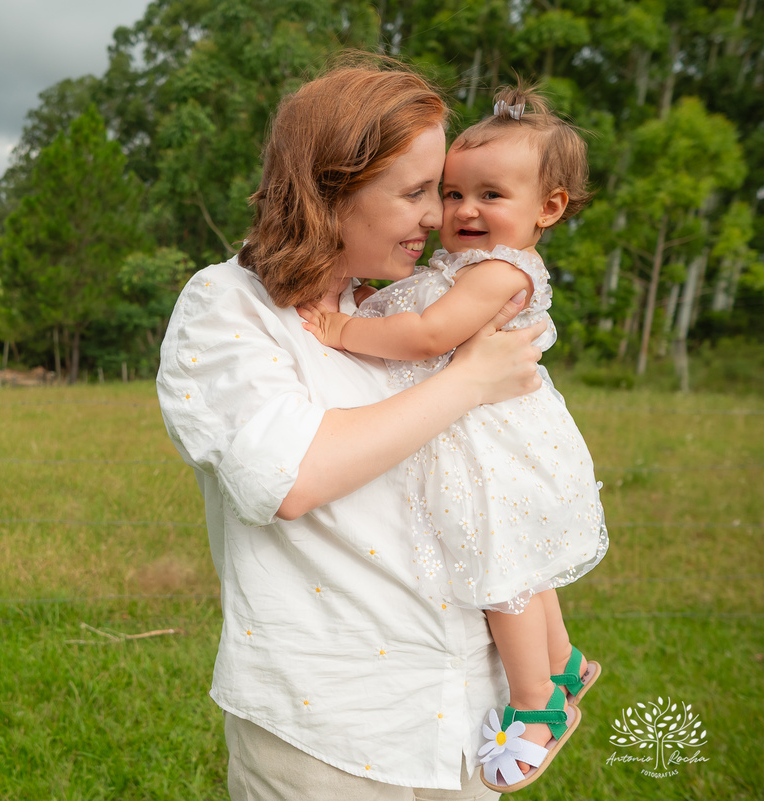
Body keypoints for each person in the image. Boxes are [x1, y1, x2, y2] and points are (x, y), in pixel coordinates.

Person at [157, 56, 549, 801]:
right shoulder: (229, 305)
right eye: (413, 193)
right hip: (329, 735)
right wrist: (468, 379)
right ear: (330, 189)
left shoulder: (392, 315)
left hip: (463, 722)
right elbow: (291, 476)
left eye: (437, 191)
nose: (437, 217)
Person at [296, 85, 608, 792]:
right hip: (484, 438)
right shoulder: (458, 266)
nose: (462, 210)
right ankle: (564, 663)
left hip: (494, 449)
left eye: (490, 194)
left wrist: (344, 329)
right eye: (452, 192)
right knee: (526, 563)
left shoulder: (500, 271)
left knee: (506, 572)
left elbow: (430, 335)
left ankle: (538, 706)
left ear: (548, 208)